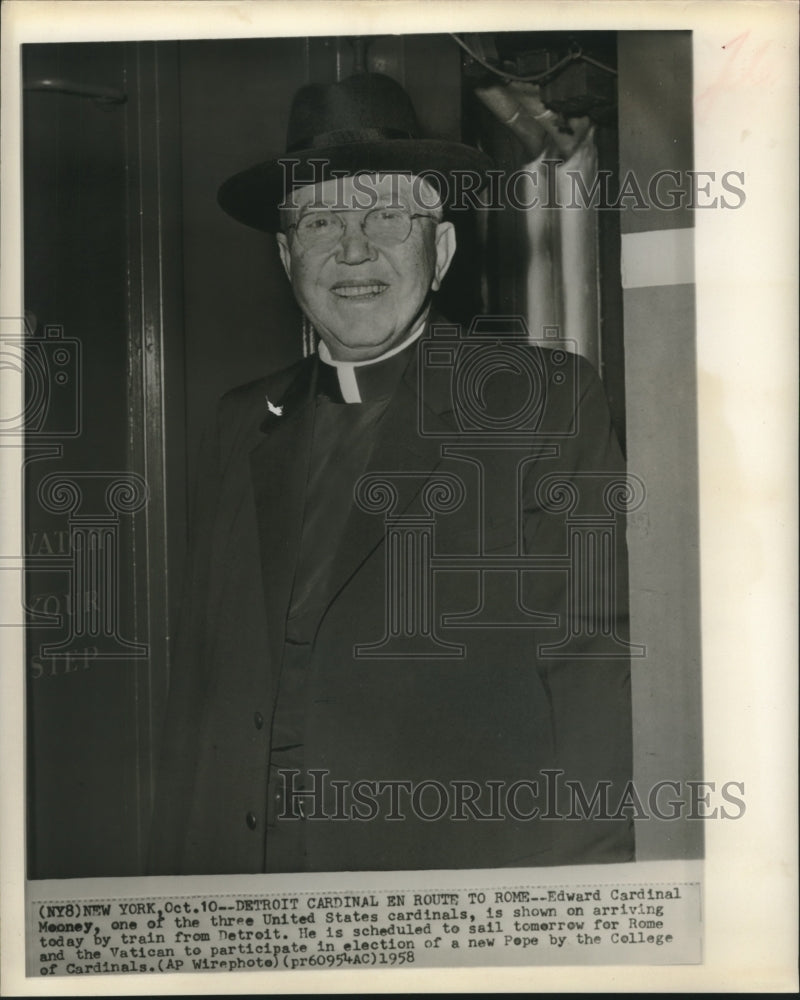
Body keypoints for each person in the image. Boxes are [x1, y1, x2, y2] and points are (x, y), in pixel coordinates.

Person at [147, 72, 634, 875]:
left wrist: (582, 910)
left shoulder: (539, 403)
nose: (353, 248)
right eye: (321, 219)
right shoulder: (240, 422)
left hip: (447, 880)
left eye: (387, 215)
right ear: (286, 254)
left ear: (438, 250)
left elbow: (592, 678)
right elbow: (196, 693)